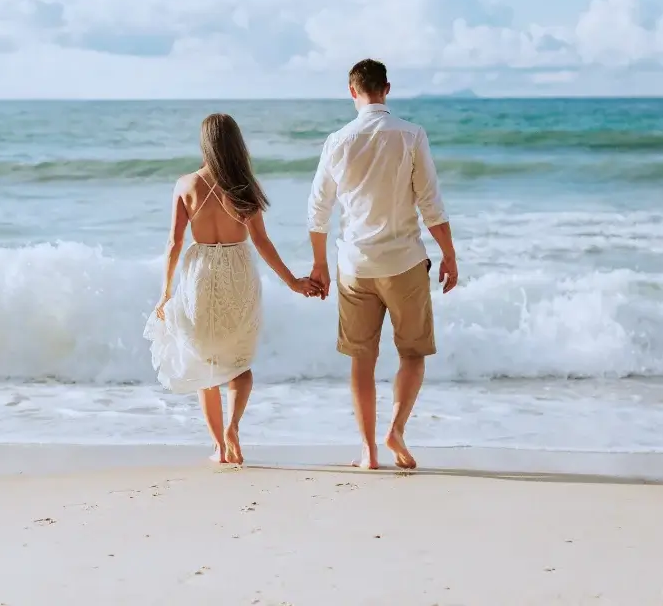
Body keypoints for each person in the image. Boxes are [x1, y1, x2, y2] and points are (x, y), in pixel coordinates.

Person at [306, 59, 459, 470]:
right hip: (405, 262)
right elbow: (430, 202)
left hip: (355, 265)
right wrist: (449, 253)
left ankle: (368, 452)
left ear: (352, 91)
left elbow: (317, 209)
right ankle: (395, 428)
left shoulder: (337, 141)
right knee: (412, 354)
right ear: (386, 88)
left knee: (362, 358)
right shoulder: (411, 135)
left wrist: (319, 265)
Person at [144, 113, 319, 465]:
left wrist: (165, 291)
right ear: (235, 143)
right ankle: (233, 427)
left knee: (204, 364)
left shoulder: (185, 185)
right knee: (240, 362)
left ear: (204, 142)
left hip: (200, 276)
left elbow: (174, 243)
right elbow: (263, 242)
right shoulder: (244, 186)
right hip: (239, 273)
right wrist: (292, 282)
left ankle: (219, 449)